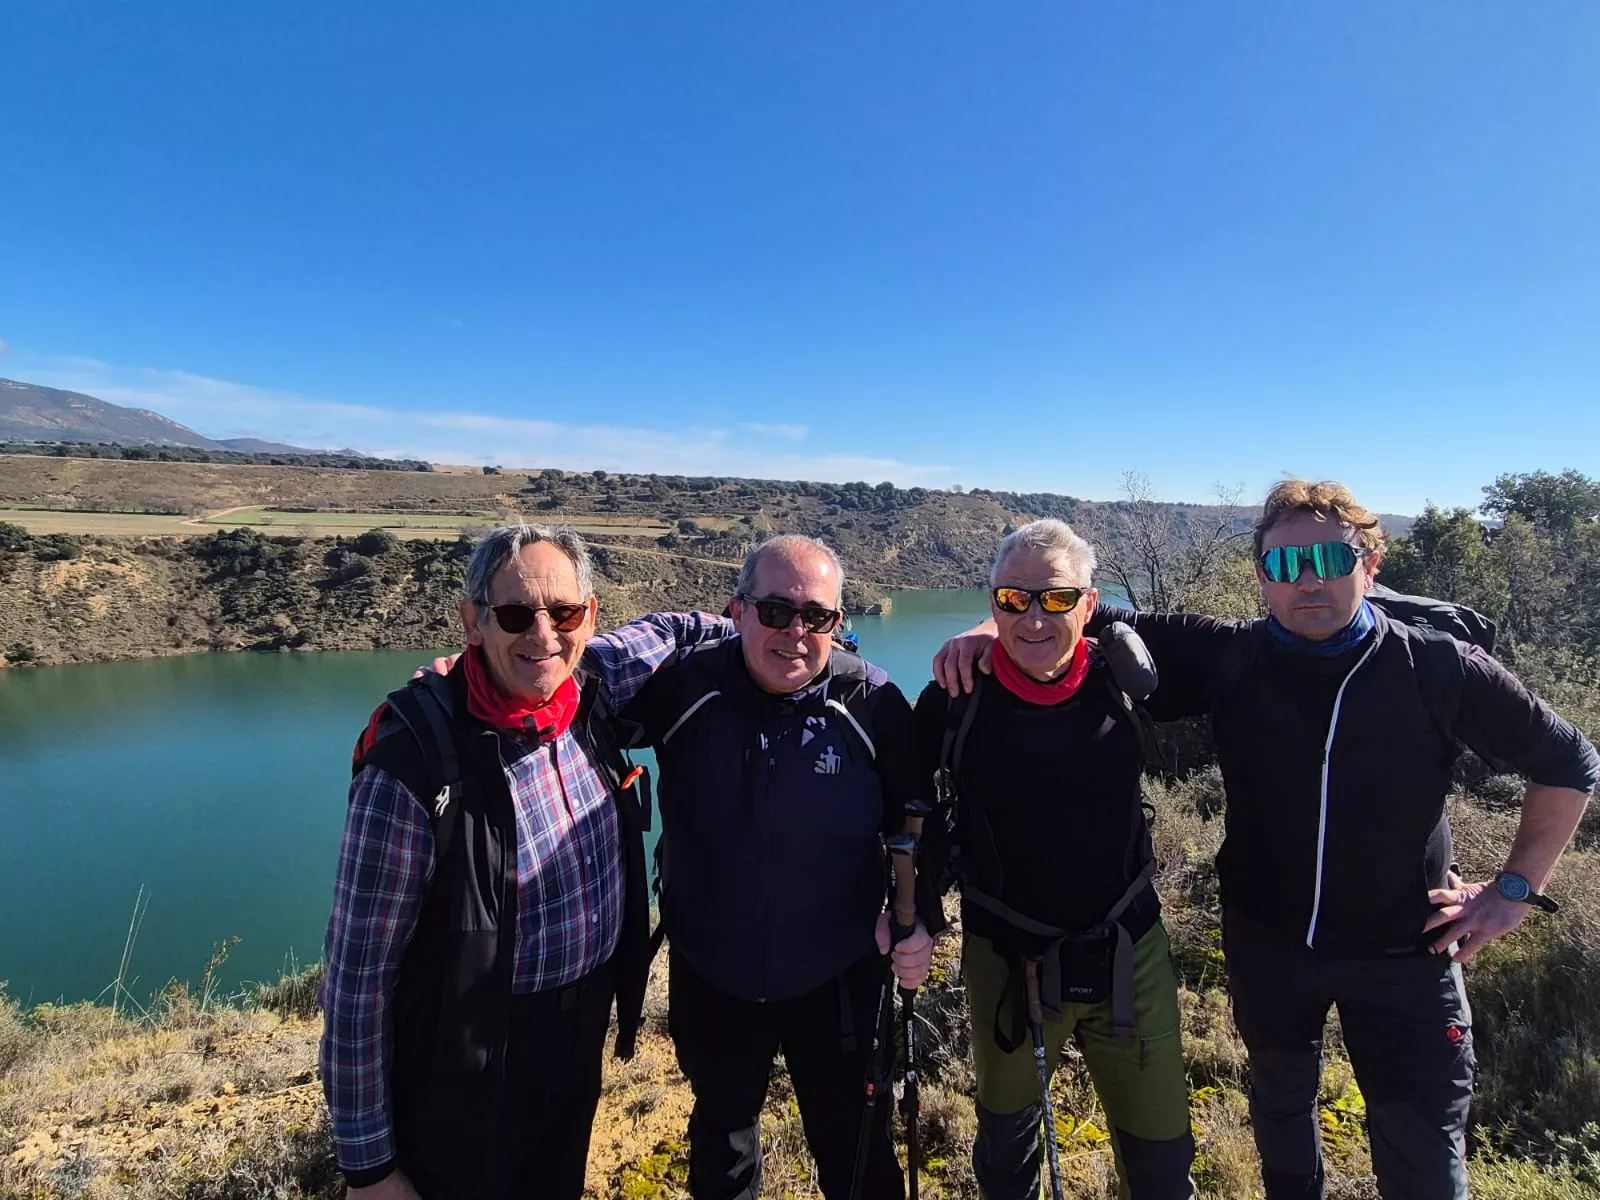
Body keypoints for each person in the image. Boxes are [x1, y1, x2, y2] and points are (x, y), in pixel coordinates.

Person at [933, 480, 1599, 1200]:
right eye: (1283, 565)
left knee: (1424, 1164)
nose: (1307, 579)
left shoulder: (1437, 667)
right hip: (1270, 946)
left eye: (1330, 559)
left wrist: (1513, 891)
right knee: (1283, 1130)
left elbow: (1569, 762)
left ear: (1369, 566)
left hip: (1408, 953)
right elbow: (1065, 608)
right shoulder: (1231, 656)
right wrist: (983, 625)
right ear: (1261, 577)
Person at [321, 523, 729, 1200]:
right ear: (473, 622)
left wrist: (810, 638)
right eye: (515, 615)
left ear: (590, 616)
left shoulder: (591, 681)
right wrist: (369, 1170)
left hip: (578, 1034)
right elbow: (357, 982)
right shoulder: (414, 764)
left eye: (564, 613)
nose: (543, 635)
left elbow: (682, 630)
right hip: (468, 1057)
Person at [623, 533, 933, 1200]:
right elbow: (568, 703)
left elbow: (921, 819)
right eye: (774, 611)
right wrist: (470, 676)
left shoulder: (872, 705)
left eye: (815, 616)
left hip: (840, 977)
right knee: (723, 1141)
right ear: (737, 611)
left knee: (855, 1147)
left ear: (838, 624)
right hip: (713, 974)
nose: (795, 631)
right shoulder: (684, 688)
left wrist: (922, 916)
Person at [913, 519, 1195, 1200]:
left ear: (1089, 606)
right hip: (1006, 957)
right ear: (993, 603)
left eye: (1057, 599)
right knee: (1007, 1157)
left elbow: (1271, 655)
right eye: (1014, 601)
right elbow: (909, 820)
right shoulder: (954, 701)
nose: (1034, 617)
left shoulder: (1126, 682)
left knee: (1160, 1157)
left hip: (1130, 950)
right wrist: (914, 913)